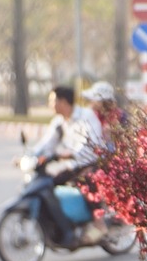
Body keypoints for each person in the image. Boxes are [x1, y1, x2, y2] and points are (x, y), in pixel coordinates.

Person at [32, 85, 104, 247]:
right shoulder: (58, 122)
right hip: (70, 165)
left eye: (52, 101)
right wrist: (30, 156)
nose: (50, 104)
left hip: (90, 162)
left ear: (63, 102)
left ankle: (100, 225)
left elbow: (90, 145)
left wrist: (68, 154)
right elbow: (45, 144)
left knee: (87, 181)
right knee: (48, 182)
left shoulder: (86, 117)